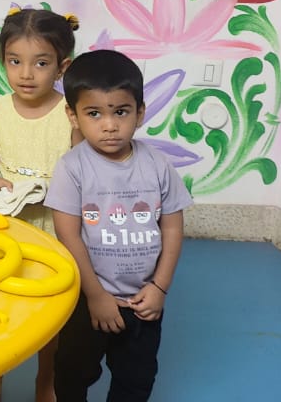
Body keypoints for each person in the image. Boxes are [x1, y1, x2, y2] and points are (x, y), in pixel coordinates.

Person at [45, 50, 192, 402]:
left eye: (121, 112)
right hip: (88, 301)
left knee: (136, 380)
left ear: (140, 112)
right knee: (72, 373)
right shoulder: (71, 168)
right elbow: (68, 235)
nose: (109, 125)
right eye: (94, 113)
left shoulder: (158, 165)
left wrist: (159, 288)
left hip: (143, 301)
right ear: (73, 115)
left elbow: (173, 229)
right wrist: (96, 296)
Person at [0, 7, 82, 402]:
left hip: (55, 229)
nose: (25, 74)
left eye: (40, 63)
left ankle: (46, 381)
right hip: (8, 227)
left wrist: (52, 189)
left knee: (50, 313)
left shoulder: (69, 115)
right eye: (14, 61)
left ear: (61, 67)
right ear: (2, 60)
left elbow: (82, 171)